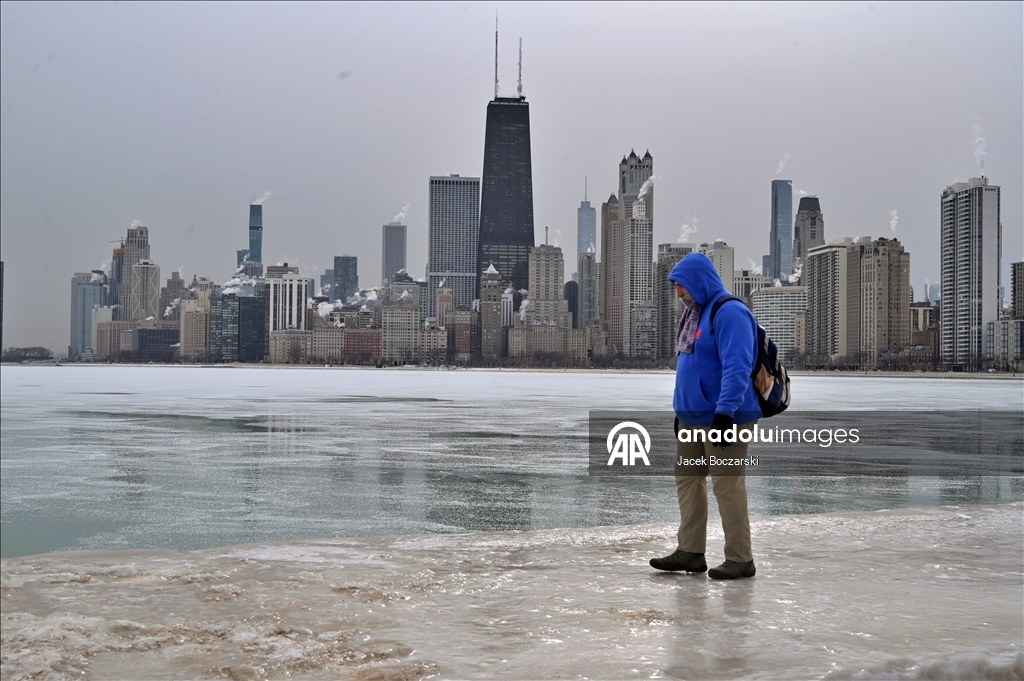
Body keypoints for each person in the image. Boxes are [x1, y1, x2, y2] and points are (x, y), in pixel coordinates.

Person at [650, 252, 761, 580]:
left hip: (725, 417)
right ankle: (690, 551)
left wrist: (725, 413)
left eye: (683, 286)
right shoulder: (695, 316)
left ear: (699, 282)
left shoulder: (730, 312)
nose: (679, 294)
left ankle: (741, 558)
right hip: (693, 419)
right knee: (687, 480)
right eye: (676, 288)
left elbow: (737, 366)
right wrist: (681, 410)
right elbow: (691, 368)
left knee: (726, 485)